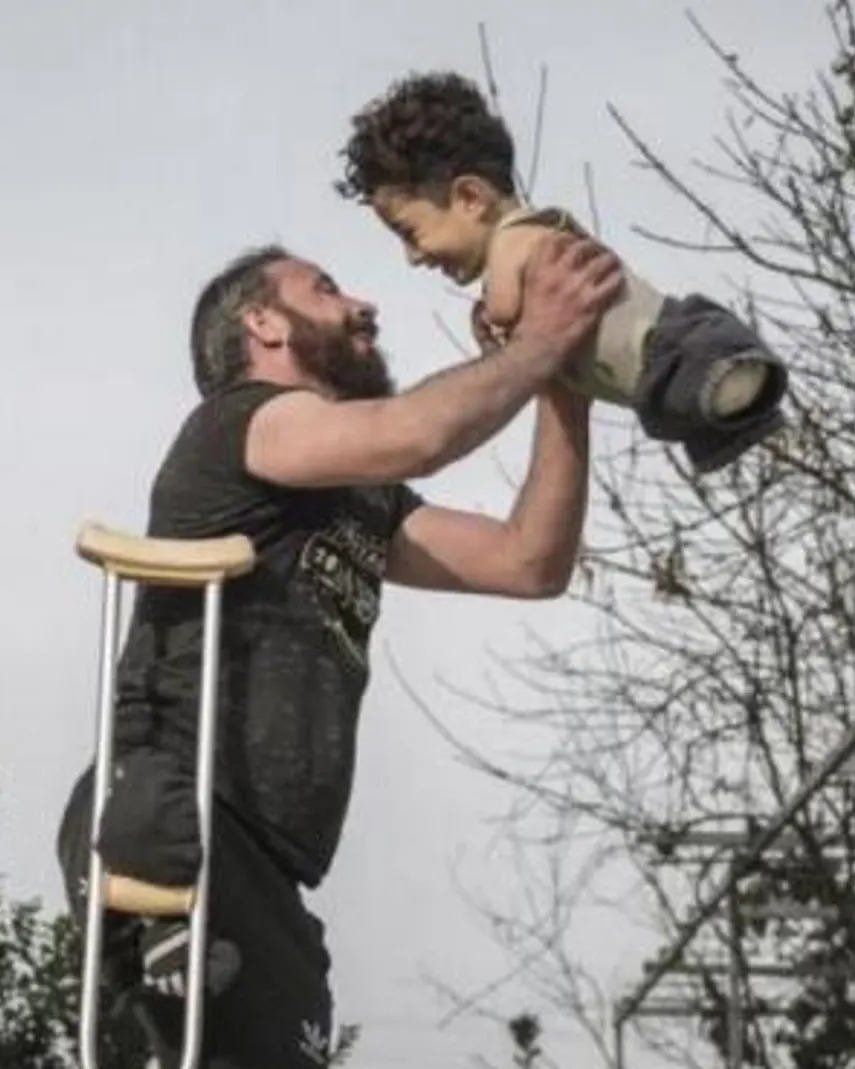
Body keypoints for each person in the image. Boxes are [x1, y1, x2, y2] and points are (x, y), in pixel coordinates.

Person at [55, 231, 623, 1068]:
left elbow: (529, 561)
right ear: (264, 325)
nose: (364, 304)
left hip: (268, 865)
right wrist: (539, 341)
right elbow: (419, 432)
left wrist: (564, 388)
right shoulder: (243, 425)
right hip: (183, 815)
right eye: (325, 289)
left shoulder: (362, 495)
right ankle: (152, 942)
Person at [334, 70, 790, 475]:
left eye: (410, 232)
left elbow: (506, 309)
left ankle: (737, 386)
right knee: (702, 405)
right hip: (659, 374)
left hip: (671, 347)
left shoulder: (517, 239)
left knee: (704, 378)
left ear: (471, 197)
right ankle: (742, 406)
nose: (413, 257)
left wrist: (492, 335)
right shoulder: (538, 239)